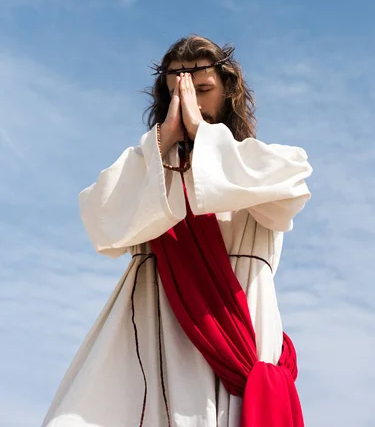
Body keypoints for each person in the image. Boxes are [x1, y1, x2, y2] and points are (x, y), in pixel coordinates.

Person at [42, 35, 312, 427]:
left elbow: (293, 185)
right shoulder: (147, 170)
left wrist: (203, 134)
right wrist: (162, 140)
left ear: (228, 91)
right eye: (177, 94)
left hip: (237, 333)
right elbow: (101, 221)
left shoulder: (253, 164)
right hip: (158, 328)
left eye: (203, 90)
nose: (191, 102)